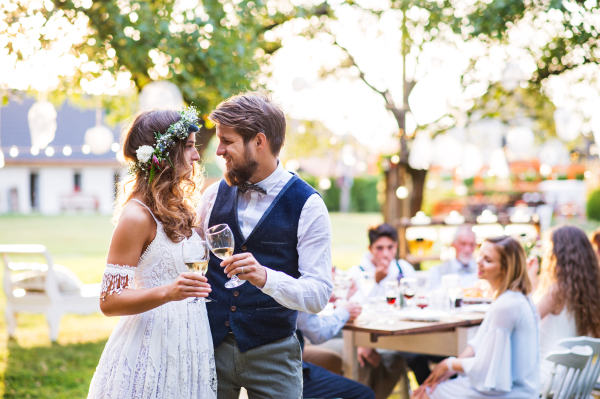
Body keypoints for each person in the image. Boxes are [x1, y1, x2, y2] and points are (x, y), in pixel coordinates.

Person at [196, 91, 333, 398]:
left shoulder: (308, 205)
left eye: (227, 141)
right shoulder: (211, 196)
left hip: (274, 355)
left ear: (259, 141)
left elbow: (319, 294)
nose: (218, 151)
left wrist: (265, 278)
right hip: (210, 347)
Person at [88, 108, 217, 398]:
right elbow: (109, 301)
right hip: (149, 346)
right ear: (165, 153)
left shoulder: (181, 206)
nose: (196, 156)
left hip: (190, 342)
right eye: (188, 147)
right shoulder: (137, 216)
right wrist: (168, 292)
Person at [413, 236, 539, 399]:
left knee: (423, 394)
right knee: (429, 388)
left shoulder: (506, 305)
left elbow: (486, 367)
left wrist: (447, 364)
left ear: (504, 268)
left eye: (487, 260)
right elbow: (477, 344)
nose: (479, 262)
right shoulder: (512, 298)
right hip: (516, 387)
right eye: (480, 256)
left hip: (511, 392)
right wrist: (450, 368)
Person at [534, 225, 600, 389]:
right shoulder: (595, 290)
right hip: (580, 380)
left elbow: (526, 319)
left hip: (550, 378)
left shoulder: (558, 291)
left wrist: (528, 276)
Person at [297, 303, 376, 399]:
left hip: (288, 356)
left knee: (332, 359)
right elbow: (318, 333)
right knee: (363, 394)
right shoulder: (290, 293)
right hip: (287, 369)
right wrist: (344, 312)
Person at [428, 225, 478, 290]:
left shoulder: (482, 270)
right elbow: (431, 295)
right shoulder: (437, 271)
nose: (467, 249)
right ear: (453, 244)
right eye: (463, 244)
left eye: (471, 245)